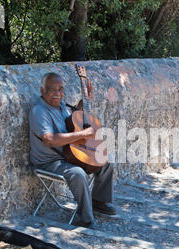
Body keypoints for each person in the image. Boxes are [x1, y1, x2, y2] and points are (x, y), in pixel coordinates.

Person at [29, 72, 115, 227]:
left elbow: (75, 118)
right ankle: (85, 217)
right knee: (78, 173)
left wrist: (85, 100)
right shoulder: (39, 111)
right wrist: (82, 134)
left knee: (105, 161)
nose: (58, 93)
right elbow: (49, 140)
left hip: (69, 155)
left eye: (60, 89)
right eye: (52, 90)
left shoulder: (61, 105)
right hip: (49, 161)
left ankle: (98, 201)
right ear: (42, 91)